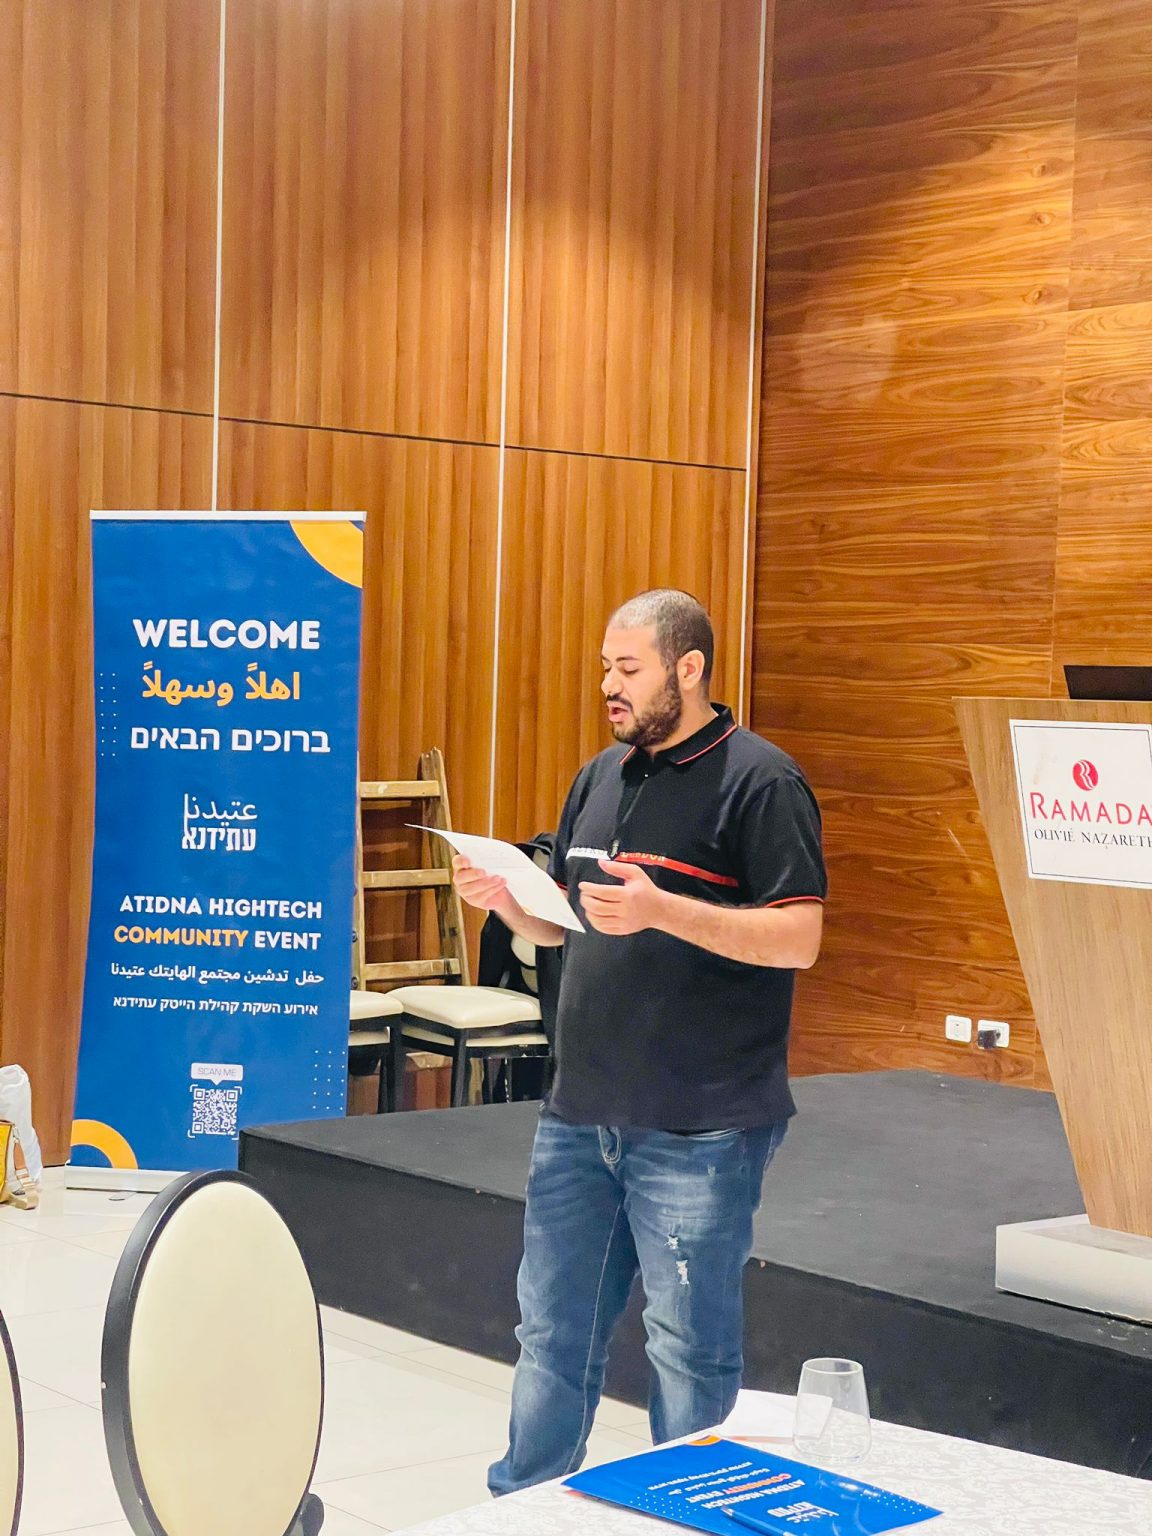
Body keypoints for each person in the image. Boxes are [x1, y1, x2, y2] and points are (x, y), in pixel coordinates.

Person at [453, 589, 826, 1495]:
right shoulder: (601, 776)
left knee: (688, 1350)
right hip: (580, 1113)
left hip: (700, 1125)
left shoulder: (761, 781)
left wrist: (666, 911)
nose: (610, 687)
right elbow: (568, 926)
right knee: (551, 1331)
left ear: (688, 669)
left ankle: (697, 1508)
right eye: (605, 670)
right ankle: (523, 1503)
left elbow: (799, 937)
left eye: (629, 669)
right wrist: (511, 904)